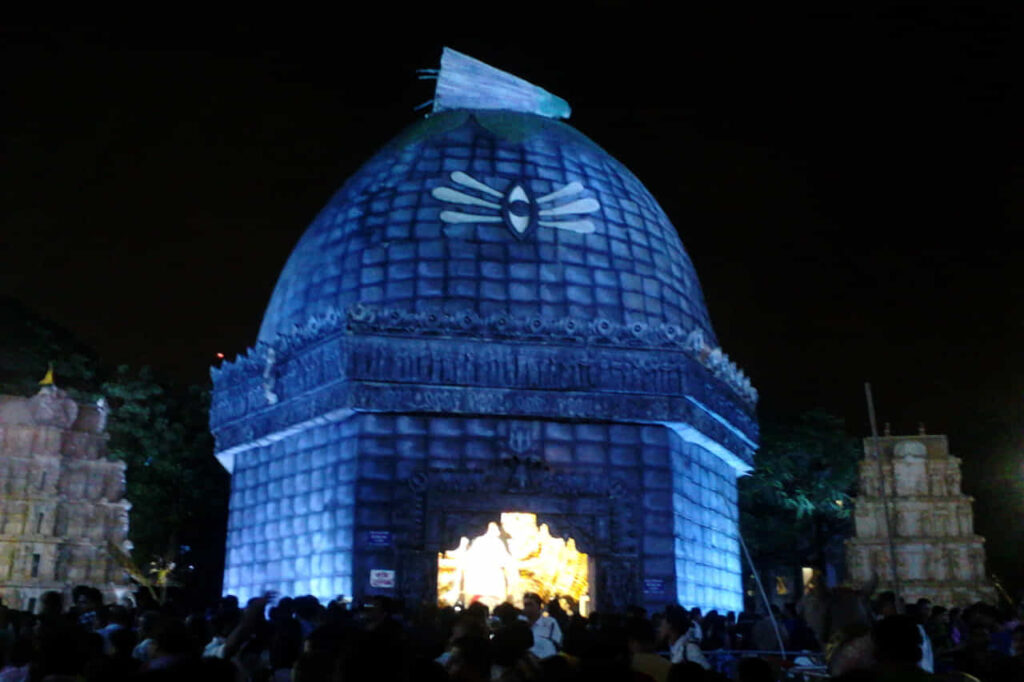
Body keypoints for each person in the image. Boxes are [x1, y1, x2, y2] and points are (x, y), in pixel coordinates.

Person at [659, 605, 709, 670]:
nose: (660, 629)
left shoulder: (689, 648)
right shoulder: (673, 648)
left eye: (661, 625)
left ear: (670, 625)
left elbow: (707, 671)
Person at [522, 592, 561, 659]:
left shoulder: (550, 623)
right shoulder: (521, 624)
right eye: (526, 605)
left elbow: (557, 642)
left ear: (539, 606)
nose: (528, 608)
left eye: (530, 605)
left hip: (546, 660)